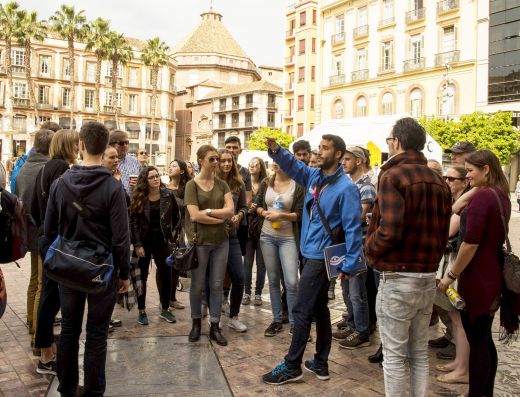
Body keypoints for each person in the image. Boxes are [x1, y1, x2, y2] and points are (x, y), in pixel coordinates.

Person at [262, 135, 362, 385]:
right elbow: (294, 166)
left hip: (321, 258)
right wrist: (276, 149)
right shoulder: (314, 177)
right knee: (319, 308)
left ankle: (292, 364)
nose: (319, 152)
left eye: (325, 148)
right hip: (308, 253)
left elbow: (353, 229)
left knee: (301, 309)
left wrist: (349, 264)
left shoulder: (347, 188)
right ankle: (320, 362)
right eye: (319, 147)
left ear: (338, 154)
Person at [41, 121, 130, 396]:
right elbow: (120, 238)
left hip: (68, 268)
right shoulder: (113, 188)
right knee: (96, 335)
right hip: (101, 270)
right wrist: (124, 274)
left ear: (80, 145)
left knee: (69, 329)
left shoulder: (61, 183)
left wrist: (54, 259)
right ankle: (93, 392)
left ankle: (66, 388)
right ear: (105, 148)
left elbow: (49, 230)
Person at [365, 117, 452, 396]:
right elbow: (442, 230)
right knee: (418, 353)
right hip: (426, 275)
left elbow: (389, 230)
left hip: (398, 276)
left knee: (394, 355)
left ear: (397, 142)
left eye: (390, 141)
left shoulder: (393, 176)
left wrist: (369, 249)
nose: (389, 145)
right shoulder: (439, 180)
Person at [438, 150, 517, 397]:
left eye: (471, 170)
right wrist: (476, 186)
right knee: (483, 340)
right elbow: (457, 206)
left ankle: (477, 393)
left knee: (478, 341)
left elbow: (470, 243)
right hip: (490, 273)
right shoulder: (498, 194)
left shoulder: (484, 198)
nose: (467, 175)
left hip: (479, 277)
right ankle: (485, 392)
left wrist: (450, 275)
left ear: (487, 170)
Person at [31, 129, 78, 374]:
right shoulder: (61, 170)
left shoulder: (45, 168)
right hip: (57, 241)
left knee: (49, 297)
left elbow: (33, 207)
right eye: (76, 143)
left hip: (46, 237)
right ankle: (46, 355)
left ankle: (45, 348)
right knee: (51, 299)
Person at [185, 145, 234, 346]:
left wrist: (208, 213)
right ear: (201, 161)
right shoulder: (192, 185)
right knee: (197, 286)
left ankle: (215, 325)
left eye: (217, 159)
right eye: (212, 159)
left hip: (221, 241)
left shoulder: (222, 184)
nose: (217, 163)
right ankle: (196, 323)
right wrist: (217, 217)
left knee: (216, 285)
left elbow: (230, 211)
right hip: (200, 242)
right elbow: (194, 215)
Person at [14, 129, 54, 353]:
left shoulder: (25, 166)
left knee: (33, 280)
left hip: (27, 231)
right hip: (40, 231)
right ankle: (38, 336)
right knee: (41, 284)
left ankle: (31, 323)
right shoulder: (44, 169)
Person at [333, 147, 375, 349]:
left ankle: (362, 331)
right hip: (346, 244)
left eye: (347, 159)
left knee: (357, 291)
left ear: (359, 161)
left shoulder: (366, 186)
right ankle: (352, 324)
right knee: (346, 288)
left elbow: (358, 216)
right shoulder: (349, 184)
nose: (343, 163)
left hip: (359, 244)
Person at [257, 160, 304, 337]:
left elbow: (299, 214)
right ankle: (277, 320)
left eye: (280, 160)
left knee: (292, 282)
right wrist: (263, 213)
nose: (276, 163)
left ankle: (294, 322)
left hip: (288, 238)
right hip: (267, 236)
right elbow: (258, 205)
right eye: (274, 161)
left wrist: (281, 215)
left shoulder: (296, 185)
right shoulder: (266, 182)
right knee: (274, 279)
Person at [130, 166, 180, 325]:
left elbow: (176, 217)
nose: (156, 179)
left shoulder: (167, 195)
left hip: (162, 240)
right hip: (144, 241)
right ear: (145, 180)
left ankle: (165, 309)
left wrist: (172, 237)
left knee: (166, 274)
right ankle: (142, 310)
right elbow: (133, 222)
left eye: (157, 176)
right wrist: (137, 244)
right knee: (141, 277)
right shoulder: (139, 197)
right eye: (151, 177)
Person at [434, 166, 470, 385]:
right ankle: (459, 362)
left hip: (455, 264)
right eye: (445, 177)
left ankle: (463, 366)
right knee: (455, 318)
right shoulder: (455, 201)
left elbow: (444, 231)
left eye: (452, 178)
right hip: (448, 262)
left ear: (464, 182)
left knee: (459, 317)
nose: (447, 181)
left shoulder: (463, 204)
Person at [218, 149, 248, 332]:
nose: (227, 164)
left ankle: (234, 316)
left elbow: (244, 206)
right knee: (214, 279)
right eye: (223, 161)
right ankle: (214, 315)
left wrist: (240, 215)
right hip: (214, 237)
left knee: (239, 276)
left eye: (229, 161)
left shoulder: (239, 183)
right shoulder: (211, 183)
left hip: (232, 236)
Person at [165, 159, 192, 310]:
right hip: (166, 232)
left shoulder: (187, 188)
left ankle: (172, 298)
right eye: (170, 165)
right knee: (163, 265)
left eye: (174, 166)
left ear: (182, 171)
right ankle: (164, 300)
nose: (170, 167)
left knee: (175, 265)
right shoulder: (163, 188)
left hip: (181, 231)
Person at [243, 157, 267, 306]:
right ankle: (247, 292)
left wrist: (258, 209)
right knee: (247, 262)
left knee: (261, 263)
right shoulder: (245, 183)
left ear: (261, 167)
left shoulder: (266, 184)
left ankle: (258, 293)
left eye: (256, 164)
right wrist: (247, 209)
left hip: (262, 226)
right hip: (247, 227)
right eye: (250, 164)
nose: (252, 166)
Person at [109, 130, 141, 194]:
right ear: (112, 145)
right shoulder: (106, 162)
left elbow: (143, 183)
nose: (125, 145)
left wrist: (138, 184)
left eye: (127, 142)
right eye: (121, 143)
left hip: (132, 201)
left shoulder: (135, 161)